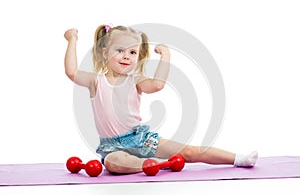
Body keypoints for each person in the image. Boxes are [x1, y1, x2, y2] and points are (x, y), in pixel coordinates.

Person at [64, 24, 258, 174]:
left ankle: (239, 158)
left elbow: (157, 85)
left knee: (189, 152)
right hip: (113, 147)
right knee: (115, 163)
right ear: (105, 52)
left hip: (141, 139)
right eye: (120, 50)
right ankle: (156, 164)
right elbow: (72, 72)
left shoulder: (136, 80)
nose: (126, 56)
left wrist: (166, 56)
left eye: (132, 52)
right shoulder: (96, 81)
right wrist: (72, 40)